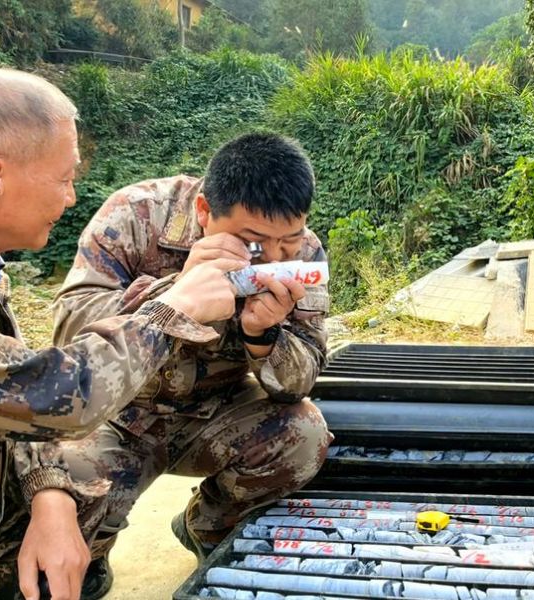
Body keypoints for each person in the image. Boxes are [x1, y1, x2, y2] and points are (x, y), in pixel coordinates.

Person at [0, 67, 241, 600]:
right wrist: (172, 308)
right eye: (64, 178)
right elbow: (54, 393)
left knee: (76, 487)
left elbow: (8, 399)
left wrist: (49, 496)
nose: (72, 197)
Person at [50, 132, 332, 593]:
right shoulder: (135, 215)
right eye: (254, 244)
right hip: (120, 412)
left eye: (290, 240)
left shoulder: (305, 253)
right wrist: (177, 293)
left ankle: (211, 528)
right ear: (204, 212)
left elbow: (300, 380)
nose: (276, 258)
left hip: (217, 411)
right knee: (60, 484)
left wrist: (264, 338)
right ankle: (92, 553)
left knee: (302, 433)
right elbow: (69, 335)